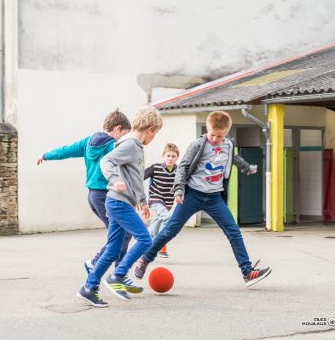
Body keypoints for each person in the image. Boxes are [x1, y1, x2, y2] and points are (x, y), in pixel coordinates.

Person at [134, 111, 271, 288]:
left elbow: (233, 158)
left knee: (234, 232)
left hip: (214, 197)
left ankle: (247, 272)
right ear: (207, 129)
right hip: (192, 195)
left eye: (219, 136)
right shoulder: (198, 144)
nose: (215, 139)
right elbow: (182, 166)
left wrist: (247, 168)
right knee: (170, 230)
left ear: (226, 132)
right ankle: (145, 259)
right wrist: (178, 190)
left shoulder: (229, 145)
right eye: (212, 134)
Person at [77, 106, 163, 307]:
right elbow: (107, 161)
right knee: (145, 239)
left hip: (119, 202)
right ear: (150, 128)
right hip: (118, 202)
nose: (154, 137)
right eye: (155, 133)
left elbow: (135, 178)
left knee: (113, 249)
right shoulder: (131, 144)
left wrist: (142, 202)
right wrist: (114, 180)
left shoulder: (134, 146)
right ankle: (118, 275)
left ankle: (88, 288)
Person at [36, 109, 133, 272]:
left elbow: (65, 151)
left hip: (94, 196)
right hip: (105, 196)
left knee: (123, 232)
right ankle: (101, 266)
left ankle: (118, 272)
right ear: (117, 129)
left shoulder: (88, 141)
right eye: (124, 134)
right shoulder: (113, 146)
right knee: (122, 233)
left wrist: (46, 155)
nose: (124, 139)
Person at [144, 143, 179, 258]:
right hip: (155, 199)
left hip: (168, 202)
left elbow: (183, 184)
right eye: (168, 155)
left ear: (177, 157)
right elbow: (140, 177)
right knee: (168, 218)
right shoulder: (156, 167)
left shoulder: (179, 171)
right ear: (163, 156)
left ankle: (146, 238)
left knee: (155, 228)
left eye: (173, 156)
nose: (170, 158)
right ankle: (161, 246)